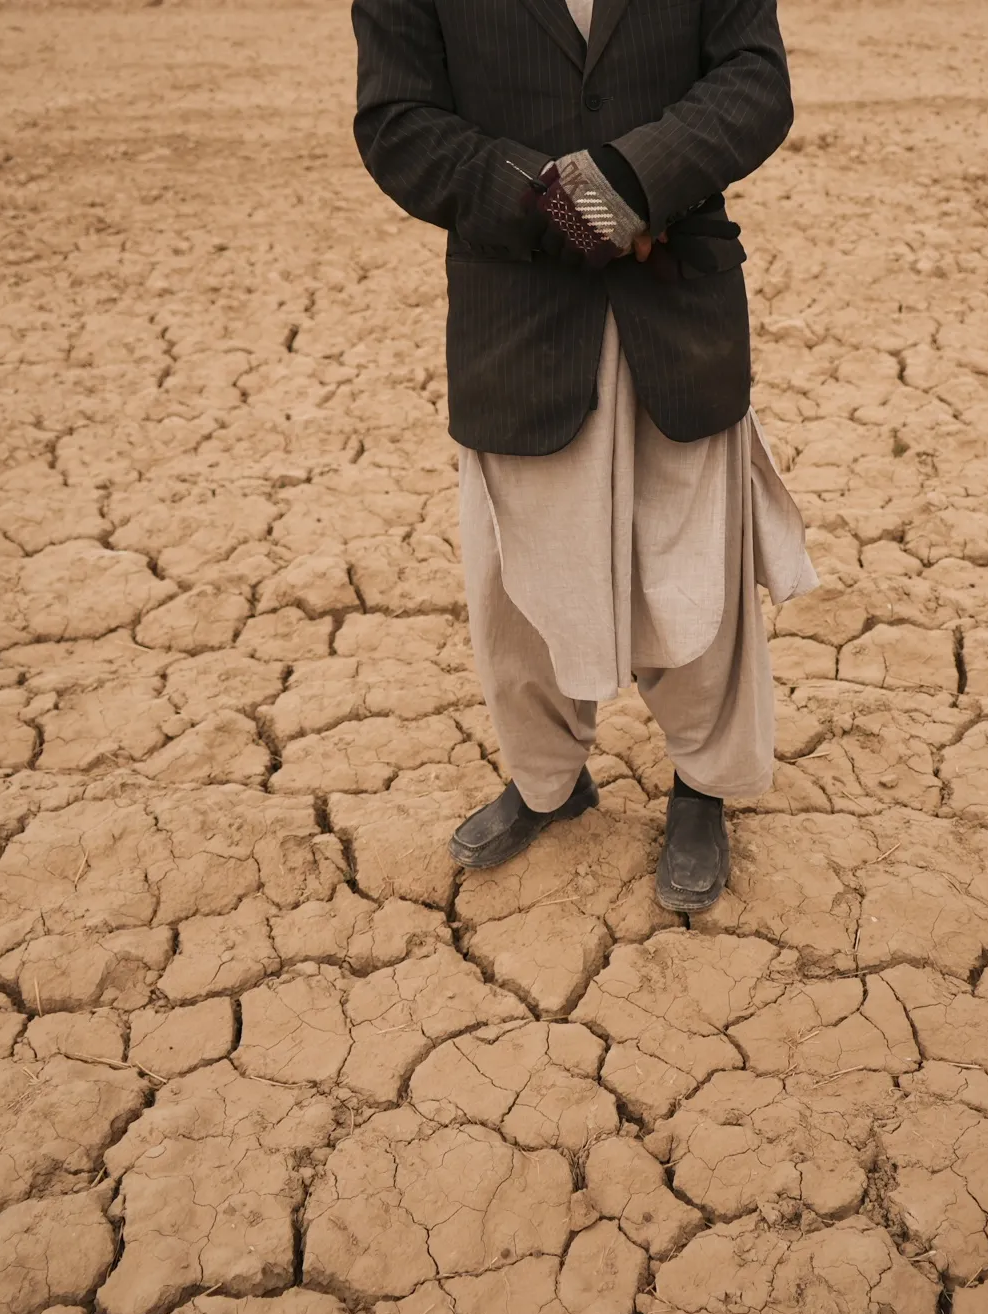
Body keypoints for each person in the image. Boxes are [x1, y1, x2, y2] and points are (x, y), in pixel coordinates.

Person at [351, 0, 816, 913]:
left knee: (694, 563)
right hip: (516, 315)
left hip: (676, 299)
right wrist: (551, 204)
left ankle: (702, 787)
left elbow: (755, 82)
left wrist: (624, 183)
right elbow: (397, 123)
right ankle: (547, 784)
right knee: (521, 580)